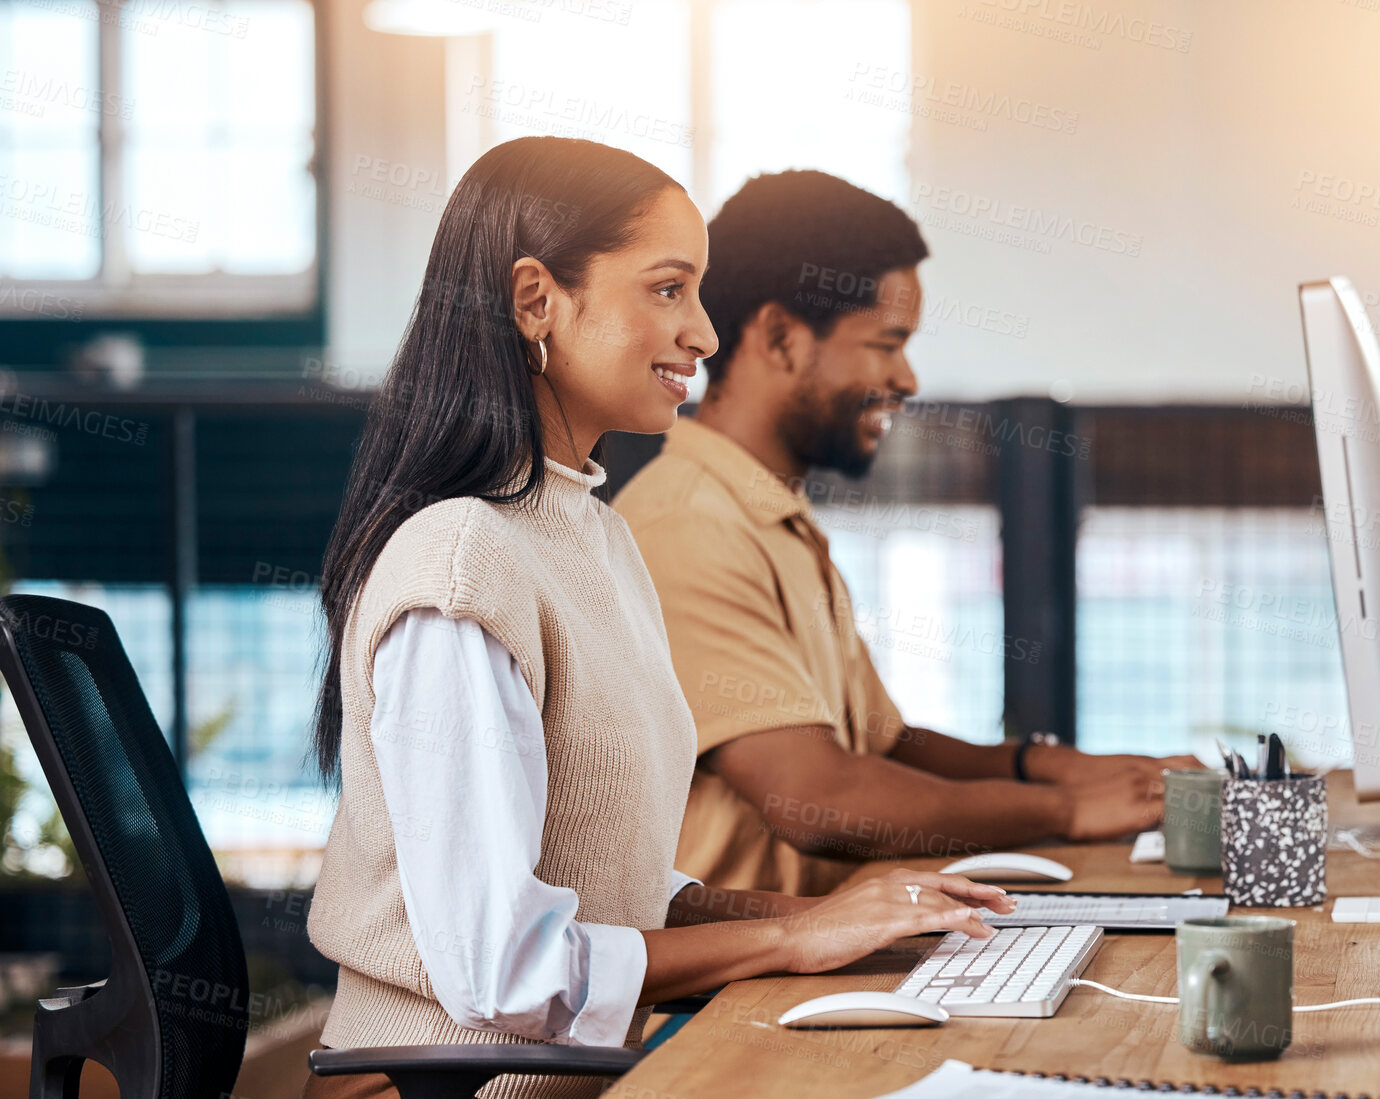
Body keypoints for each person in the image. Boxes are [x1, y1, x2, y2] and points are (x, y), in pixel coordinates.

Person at [304, 140, 1009, 1099]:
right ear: (535, 300)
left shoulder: (593, 536)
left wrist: (852, 915)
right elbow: (502, 972)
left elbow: (621, 883)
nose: (705, 335)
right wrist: (793, 933)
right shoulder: (464, 561)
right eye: (669, 290)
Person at [613, 170, 1202, 898]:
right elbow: (820, 798)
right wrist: (1070, 808)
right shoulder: (689, 527)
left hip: (816, 950)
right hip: (729, 995)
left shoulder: (769, 516)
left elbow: (880, 744)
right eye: (886, 343)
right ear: (780, 337)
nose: (907, 376)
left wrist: (1055, 767)